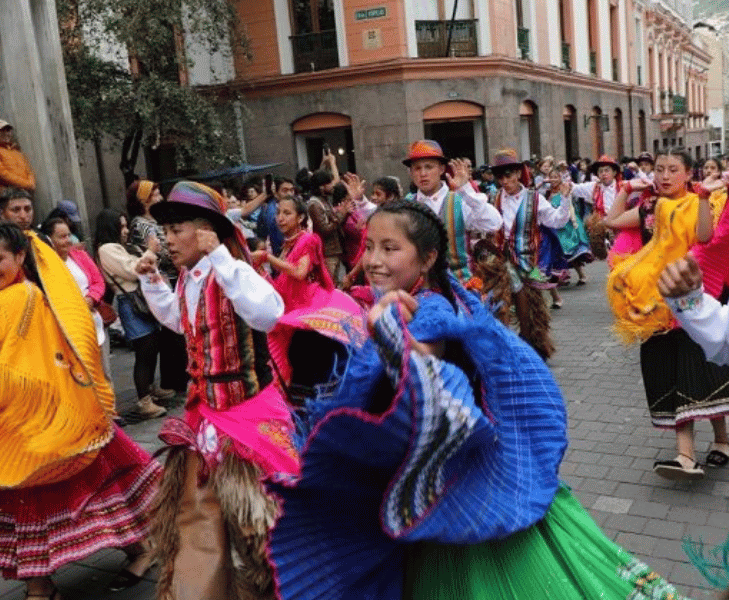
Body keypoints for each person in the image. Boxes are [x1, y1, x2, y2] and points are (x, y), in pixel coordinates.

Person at [265, 200, 688, 600]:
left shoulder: (425, 310)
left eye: (390, 248)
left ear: (427, 259)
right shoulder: (437, 301)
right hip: (451, 480)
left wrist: (390, 338)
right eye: (370, 246)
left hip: (462, 498)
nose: (373, 259)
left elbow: (428, 364)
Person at [0, 221, 160, 599]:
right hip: (28, 418)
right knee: (82, 491)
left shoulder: (23, 296)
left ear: (20, 256)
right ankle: (44, 582)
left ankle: (56, 580)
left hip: (49, 416)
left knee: (78, 490)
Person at [135, 181, 297, 600]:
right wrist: (153, 282)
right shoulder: (190, 277)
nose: (167, 240)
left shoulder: (233, 269)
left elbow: (268, 313)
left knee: (268, 529)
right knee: (198, 526)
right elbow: (180, 320)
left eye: (177, 230)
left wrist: (221, 256)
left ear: (206, 230)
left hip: (249, 417)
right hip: (203, 416)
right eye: (165, 232)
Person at [606, 148, 729, 480]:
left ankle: (721, 440)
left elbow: (705, 236)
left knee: (702, 369)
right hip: (655, 302)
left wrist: (704, 197)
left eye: (672, 169)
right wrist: (626, 189)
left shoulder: (706, 202)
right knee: (670, 369)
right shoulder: (649, 207)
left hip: (696, 297)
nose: (663, 175)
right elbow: (611, 221)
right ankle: (685, 455)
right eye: (659, 169)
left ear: (688, 174)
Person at [490, 148, 572, 359]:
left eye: (507, 175)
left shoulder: (535, 199)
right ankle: (507, 348)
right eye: (499, 176)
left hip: (527, 261)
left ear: (518, 174)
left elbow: (557, 220)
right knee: (500, 307)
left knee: (532, 312)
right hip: (500, 262)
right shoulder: (495, 198)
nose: (504, 181)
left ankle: (529, 346)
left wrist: (564, 200)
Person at [95, 208, 166, 420]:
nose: (125, 230)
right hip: (131, 302)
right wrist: (150, 251)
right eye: (121, 226)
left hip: (138, 299)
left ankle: (150, 391)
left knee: (152, 345)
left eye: (126, 225)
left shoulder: (120, 246)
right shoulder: (107, 248)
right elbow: (133, 269)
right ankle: (144, 400)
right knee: (145, 349)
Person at [402, 140, 502, 286]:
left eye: (429, 167)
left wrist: (466, 190)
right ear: (410, 172)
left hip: (459, 285)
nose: (423, 173)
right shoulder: (406, 204)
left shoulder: (459, 200)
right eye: (417, 168)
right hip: (419, 287)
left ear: (442, 169)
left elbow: (494, 223)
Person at [126, 179, 187, 396]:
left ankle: (178, 380)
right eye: (154, 194)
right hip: (159, 280)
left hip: (174, 277)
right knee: (172, 334)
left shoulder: (158, 220)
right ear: (143, 199)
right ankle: (172, 381)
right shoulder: (140, 224)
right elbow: (157, 252)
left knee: (177, 333)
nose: (159, 196)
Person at [42, 216, 111, 381]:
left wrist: (91, 298)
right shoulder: (45, 265)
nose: (68, 240)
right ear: (49, 240)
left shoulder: (79, 255)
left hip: (94, 322)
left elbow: (98, 281)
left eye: (69, 235)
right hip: (69, 328)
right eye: (62, 237)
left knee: (104, 374)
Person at [253, 195, 334, 311]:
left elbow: (300, 272)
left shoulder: (307, 240)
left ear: (300, 218)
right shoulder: (289, 242)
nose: (280, 218)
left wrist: (267, 257)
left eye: (287, 213)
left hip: (305, 305)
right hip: (291, 303)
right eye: (278, 213)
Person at [341, 175, 402, 289]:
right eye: (373, 193)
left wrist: (351, 275)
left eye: (378, 194)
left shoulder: (395, 217)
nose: (373, 197)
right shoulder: (379, 214)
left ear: (391, 196)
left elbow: (368, 251)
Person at [545, 165, 592, 286]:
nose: (554, 179)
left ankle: (581, 274)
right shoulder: (547, 192)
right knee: (559, 253)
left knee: (572, 251)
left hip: (568, 225)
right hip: (555, 226)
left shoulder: (565, 189)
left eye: (556, 177)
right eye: (552, 177)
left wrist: (574, 221)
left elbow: (571, 205)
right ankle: (562, 276)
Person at [570, 155, 621, 259]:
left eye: (607, 170)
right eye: (600, 171)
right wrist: (559, 181)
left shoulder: (623, 186)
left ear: (614, 172)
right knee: (611, 260)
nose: (603, 174)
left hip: (621, 227)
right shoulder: (593, 187)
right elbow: (574, 188)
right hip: (603, 228)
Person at [307, 169, 346, 285]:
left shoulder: (324, 201)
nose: (333, 186)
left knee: (334, 282)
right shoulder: (315, 204)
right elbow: (324, 229)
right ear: (321, 187)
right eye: (329, 183)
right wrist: (341, 214)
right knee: (329, 285)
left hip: (334, 251)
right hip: (327, 252)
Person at [0, 120, 36, 205]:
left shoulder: (15, 150)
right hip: (4, 198)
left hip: (23, 194)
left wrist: (30, 183)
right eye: (2, 131)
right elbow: (0, 173)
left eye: (8, 130)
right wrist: (26, 184)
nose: (7, 133)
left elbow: (28, 170)